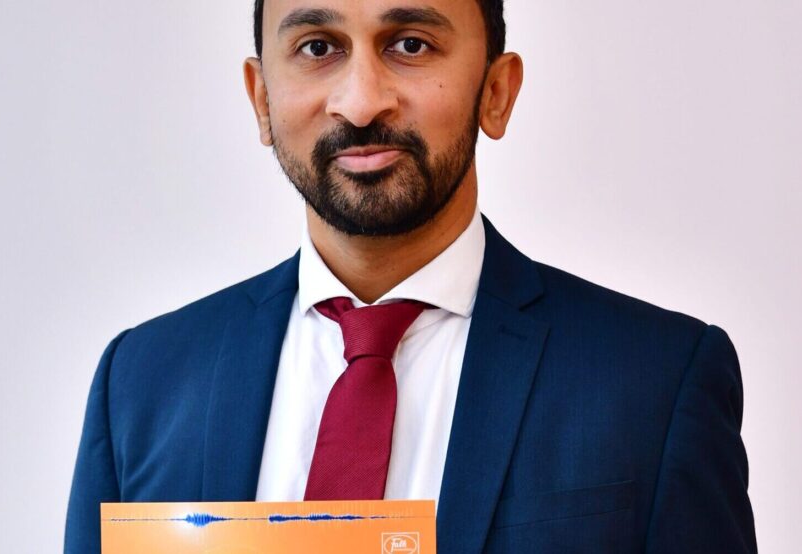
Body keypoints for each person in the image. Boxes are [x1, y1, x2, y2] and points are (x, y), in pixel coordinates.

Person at [65, 1, 757, 552]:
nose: (361, 103)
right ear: (261, 100)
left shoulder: (657, 380)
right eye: (317, 48)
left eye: (411, 44)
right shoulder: (144, 380)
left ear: (496, 91)